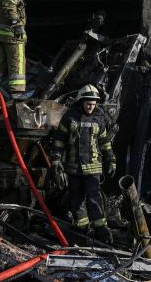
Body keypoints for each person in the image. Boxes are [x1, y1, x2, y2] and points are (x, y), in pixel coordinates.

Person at [49, 84, 115, 243]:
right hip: (74, 168)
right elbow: (59, 141)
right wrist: (56, 160)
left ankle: (102, 232)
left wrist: (110, 159)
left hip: (93, 169)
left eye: (93, 104)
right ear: (81, 102)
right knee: (76, 200)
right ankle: (82, 230)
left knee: (94, 200)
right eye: (88, 104)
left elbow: (105, 143)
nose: (91, 107)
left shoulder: (99, 119)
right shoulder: (70, 118)